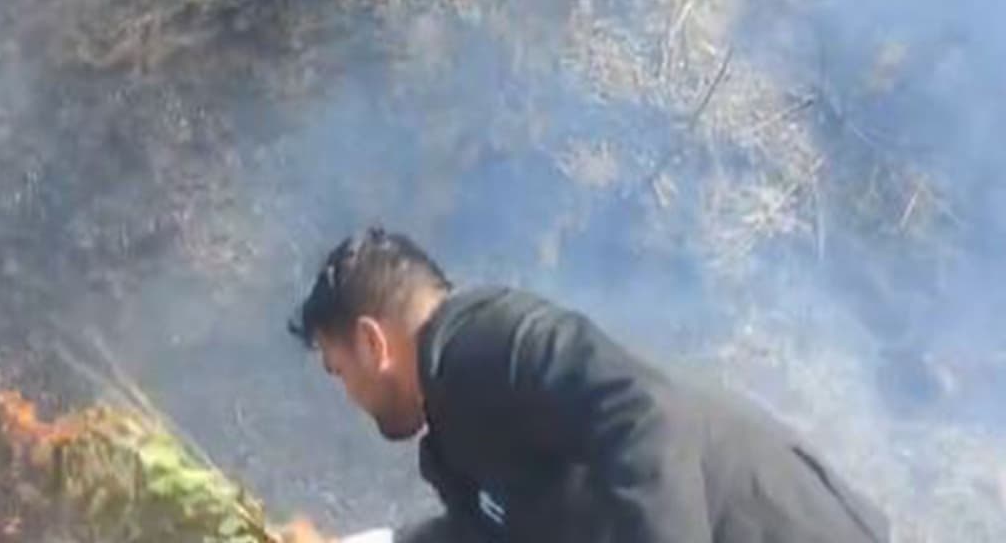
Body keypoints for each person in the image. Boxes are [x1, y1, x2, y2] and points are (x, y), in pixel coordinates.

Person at [281, 227, 891, 543]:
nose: (348, 396)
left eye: (340, 371)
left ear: (371, 342)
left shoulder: (488, 340)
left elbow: (645, 415)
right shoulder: (456, 434)